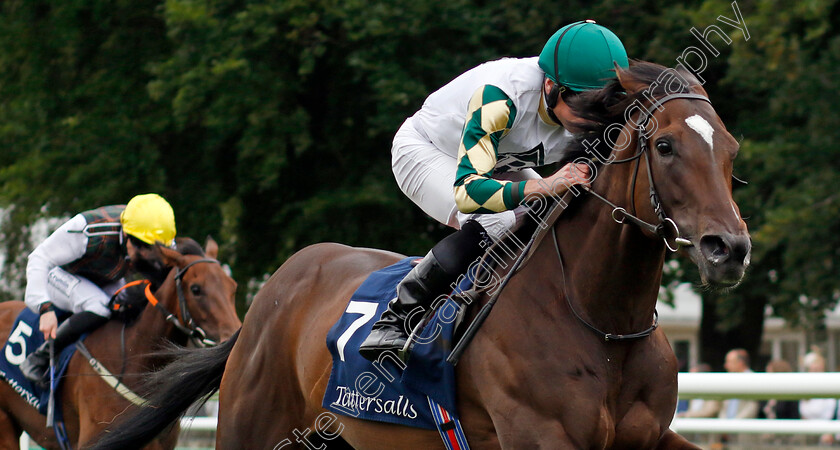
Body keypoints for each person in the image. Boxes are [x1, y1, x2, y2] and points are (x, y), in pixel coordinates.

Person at [360, 20, 629, 359]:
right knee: (496, 221)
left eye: (602, 105)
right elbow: (469, 193)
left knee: (559, 209)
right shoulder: (500, 96)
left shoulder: (582, 104)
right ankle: (397, 318)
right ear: (551, 86)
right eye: (584, 104)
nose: (592, 120)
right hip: (426, 151)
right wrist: (543, 184)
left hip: (498, 161)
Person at [19, 193, 177, 386]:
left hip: (103, 277)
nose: (147, 255)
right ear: (127, 234)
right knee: (100, 306)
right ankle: (38, 358)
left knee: (123, 309)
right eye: (143, 247)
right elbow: (39, 258)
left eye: (153, 249)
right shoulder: (87, 229)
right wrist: (44, 308)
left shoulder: (161, 238)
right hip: (58, 274)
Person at [798, 351, 838, 446]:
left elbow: (832, 412)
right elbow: (803, 411)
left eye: (818, 369)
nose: (816, 371)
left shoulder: (830, 385)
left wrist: (830, 432)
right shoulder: (805, 387)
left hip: (827, 433)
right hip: (808, 433)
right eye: (813, 369)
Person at [718, 349, 759, 420]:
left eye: (729, 362)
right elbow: (724, 405)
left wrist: (735, 424)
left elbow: (752, 406)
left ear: (740, 362)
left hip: (744, 427)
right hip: (727, 427)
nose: (726, 366)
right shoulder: (729, 378)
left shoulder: (753, 379)